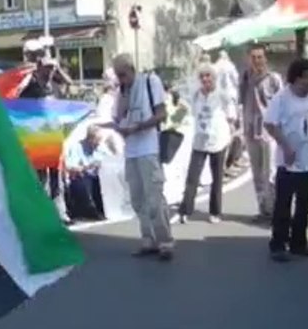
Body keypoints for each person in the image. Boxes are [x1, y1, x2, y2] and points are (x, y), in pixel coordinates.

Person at [263, 58, 308, 262]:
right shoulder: (282, 98)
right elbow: (270, 125)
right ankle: (278, 244)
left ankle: (298, 243)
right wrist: (286, 146)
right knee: (283, 204)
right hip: (288, 162)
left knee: (305, 204)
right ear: (296, 77)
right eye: (307, 77)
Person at [108, 54, 174, 260]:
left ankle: (165, 242)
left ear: (131, 69)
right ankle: (148, 239)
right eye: (118, 76)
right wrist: (122, 105)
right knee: (137, 199)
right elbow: (117, 117)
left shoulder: (149, 82)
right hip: (131, 150)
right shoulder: (121, 91)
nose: (121, 79)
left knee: (154, 197)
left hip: (148, 147)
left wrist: (140, 126)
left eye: (123, 74)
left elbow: (162, 114)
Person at [18, 40, 73, 222]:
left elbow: (69, 82)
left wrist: (57, 69)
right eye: (47, 68)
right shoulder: (29, 80)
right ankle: (41, 210)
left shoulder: (53, 80)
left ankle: (60, 211)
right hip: (36, 134)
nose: (49, 71)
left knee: (56, 171)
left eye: (52, 68)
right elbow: (18, 99)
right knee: (40, 172)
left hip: (53, 132)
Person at [179, 63, 235, 224]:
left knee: (217, 177)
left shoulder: (221, 95)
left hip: (218, 140)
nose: (205, 79)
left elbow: (231, 113)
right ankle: (185, 210)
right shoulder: (196, 95)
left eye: (208, 76)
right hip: (200, 141)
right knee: (192, 177)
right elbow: (185, 110)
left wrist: (232, 127)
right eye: (202, 76)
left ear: (214, 78)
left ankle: (215, 211)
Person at [238, 43, 283, 222]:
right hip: (251, 129)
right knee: (256, 172)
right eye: (253, 57)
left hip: (269, 130)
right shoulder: (245, 78)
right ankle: (263, 208)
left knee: (270, 171)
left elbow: (282, 103)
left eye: (260, 57)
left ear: (265, 58)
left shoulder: (274, 79)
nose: (257, 61)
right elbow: (241, 101)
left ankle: (274, 209)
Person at [63, 125, 110, 221]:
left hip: (97, 176)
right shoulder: (77, 147)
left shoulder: (100, 147)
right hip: (82, 177)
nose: (98, 144)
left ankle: (102, 210)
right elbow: (70, 167)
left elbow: (109, 160)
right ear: (89, 139)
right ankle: (89, 210)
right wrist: (87, 167)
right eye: (96, 142)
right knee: (85, 180)